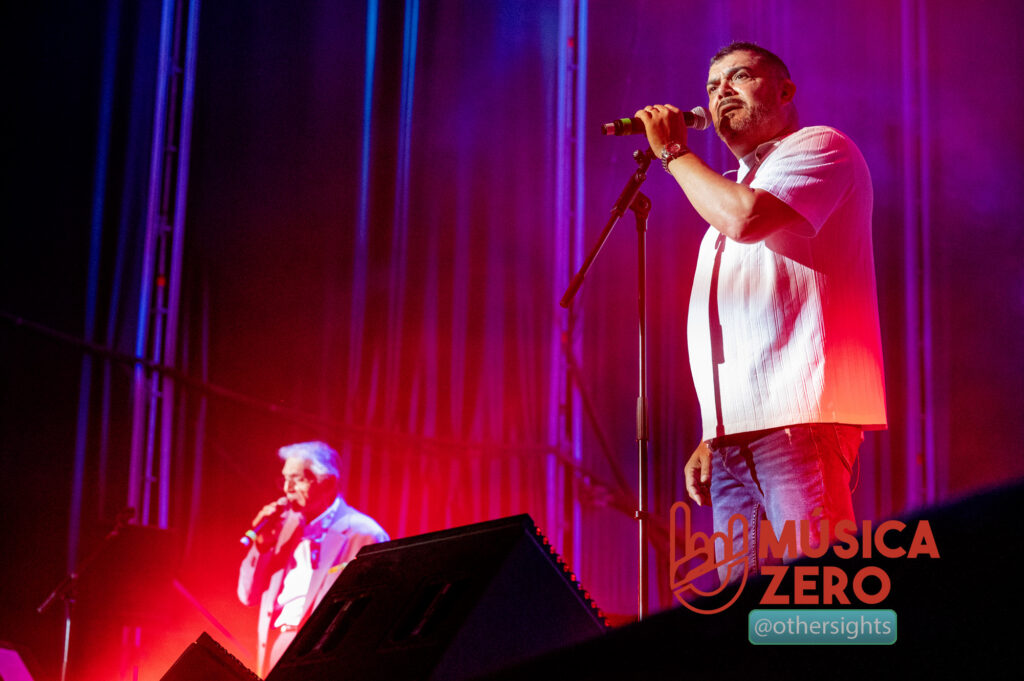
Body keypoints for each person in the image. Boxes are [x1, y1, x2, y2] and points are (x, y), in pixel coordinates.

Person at [635, 42, 886, 583]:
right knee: (742, 623)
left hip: (800, 425)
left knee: (813, 599)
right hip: (734, 441)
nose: (720, 92)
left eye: (738, 77)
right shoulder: (736, 188)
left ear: (784, 91)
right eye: (710, 86)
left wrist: (675, 154)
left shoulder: (819, 146)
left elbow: (745, 220)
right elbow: (751, 326)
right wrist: (714, 429)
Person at [237, 441, 389, 675]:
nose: (286, 488)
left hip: (325, 654)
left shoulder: (363, 533)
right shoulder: (282, 530)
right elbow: (247, 595)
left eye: (296, 479)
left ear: (327, 483)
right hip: (277, 646)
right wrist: (261, 547)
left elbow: (376, 613)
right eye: (284, 479)